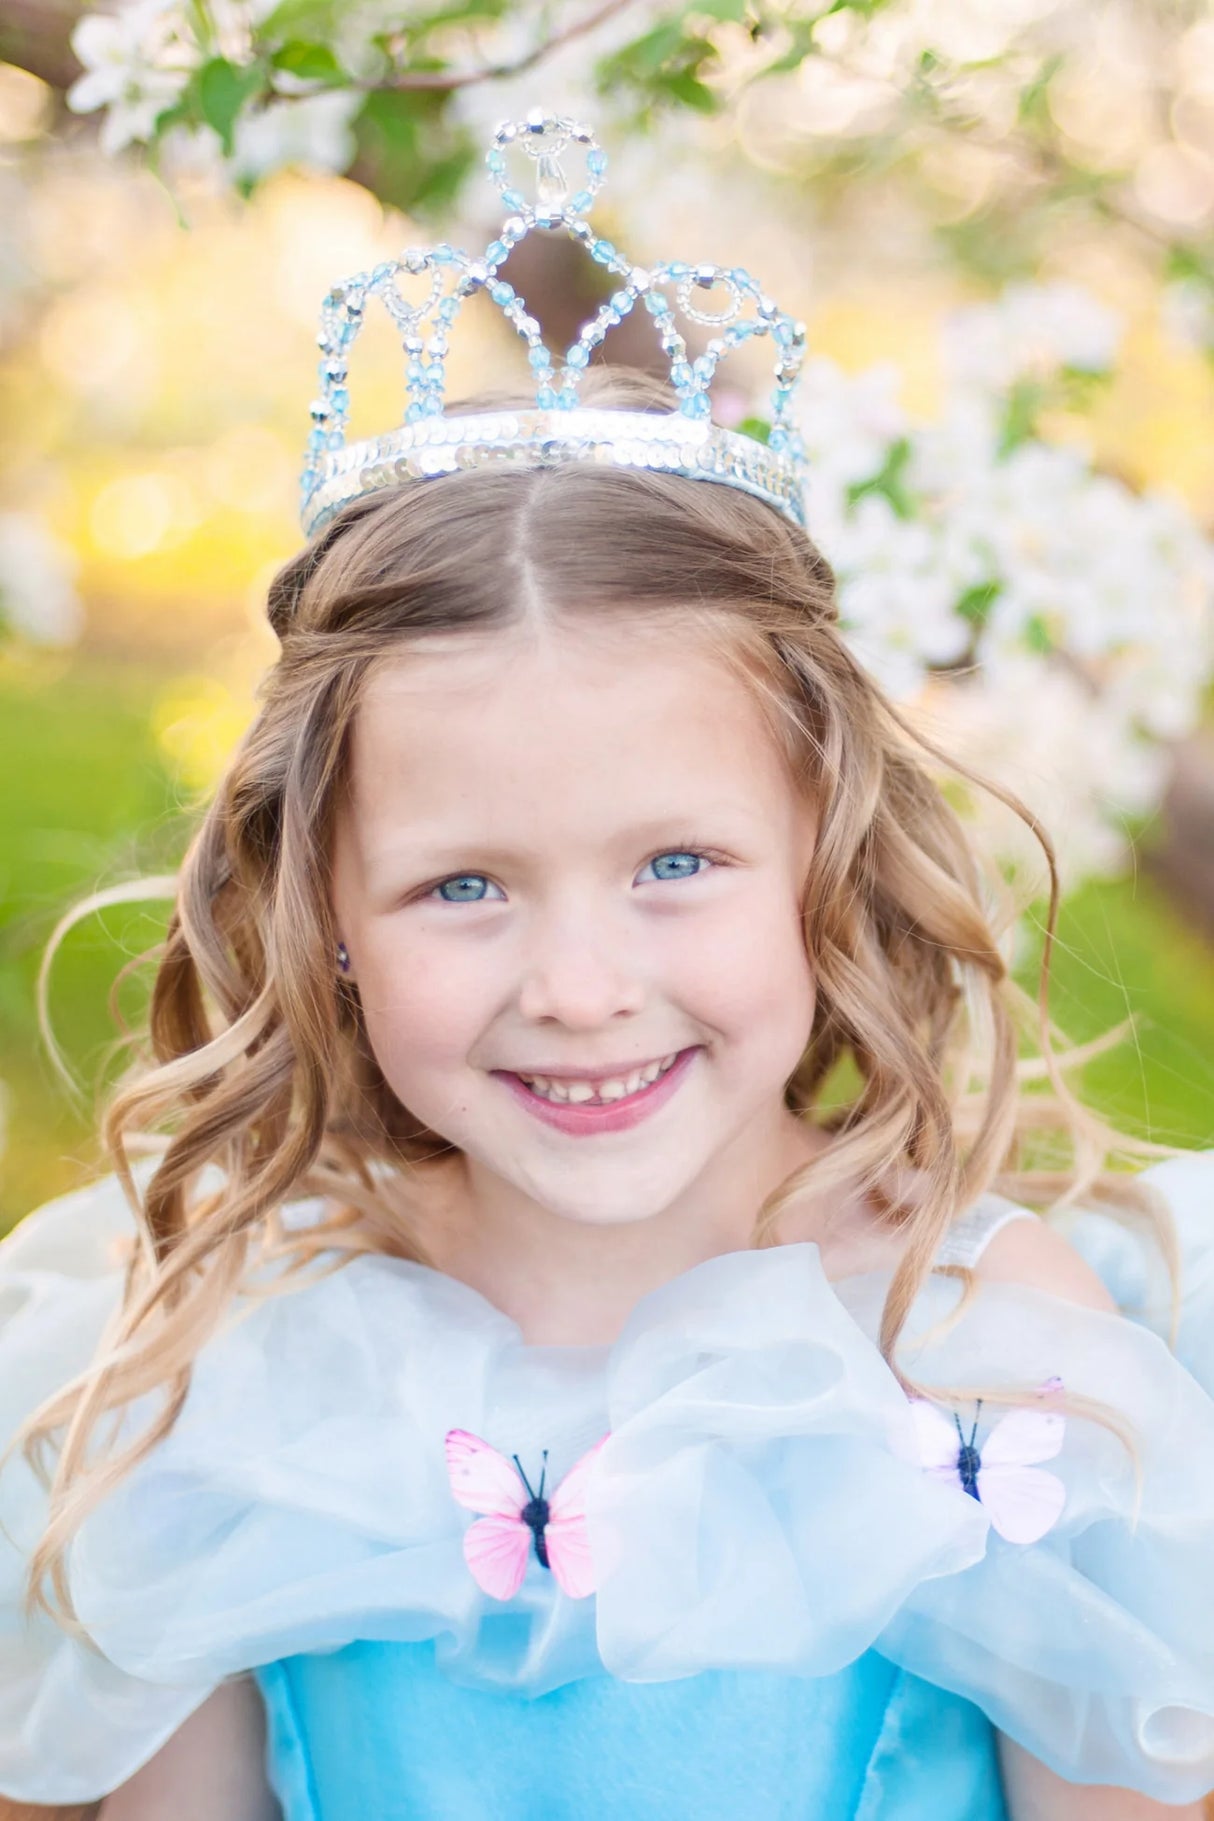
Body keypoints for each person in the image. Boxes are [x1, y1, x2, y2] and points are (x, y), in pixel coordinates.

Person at [2, 107, 1214, 1821]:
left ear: (824, 851)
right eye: (462, 887)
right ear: (321, 915)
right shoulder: (237, 1341)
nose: (578, 985)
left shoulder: (971, 1348)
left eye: (673, 865)